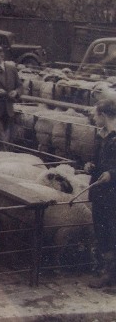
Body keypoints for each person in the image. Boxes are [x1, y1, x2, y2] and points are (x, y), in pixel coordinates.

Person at [85, 99, 116, 288]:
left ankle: (109, 275)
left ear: (103, 115)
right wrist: (92, 167)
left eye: (96, 115)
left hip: (113, 195)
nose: (95, 119)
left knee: (112, 232)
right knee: (103, 232)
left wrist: (112, 174)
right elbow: (101, 162)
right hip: (101, 194)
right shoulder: (103, 136)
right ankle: (107, 271)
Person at [0, 45, 22, 142]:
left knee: (8, 138)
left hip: (9, 109)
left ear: (1, 56)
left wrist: (16, 92)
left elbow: (20, 85)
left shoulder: (12, 69)